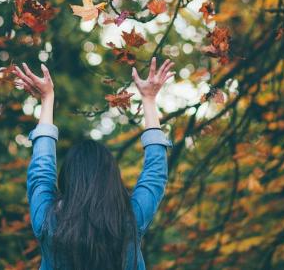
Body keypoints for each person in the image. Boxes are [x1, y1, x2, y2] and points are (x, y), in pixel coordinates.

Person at [13, 57, 175, 270]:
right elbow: (155, 173)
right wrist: (149, 100)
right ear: (112, 178)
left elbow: (41, 171)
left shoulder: (48, 220)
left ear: (68, 178)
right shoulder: (130, 219)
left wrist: (47, 98)